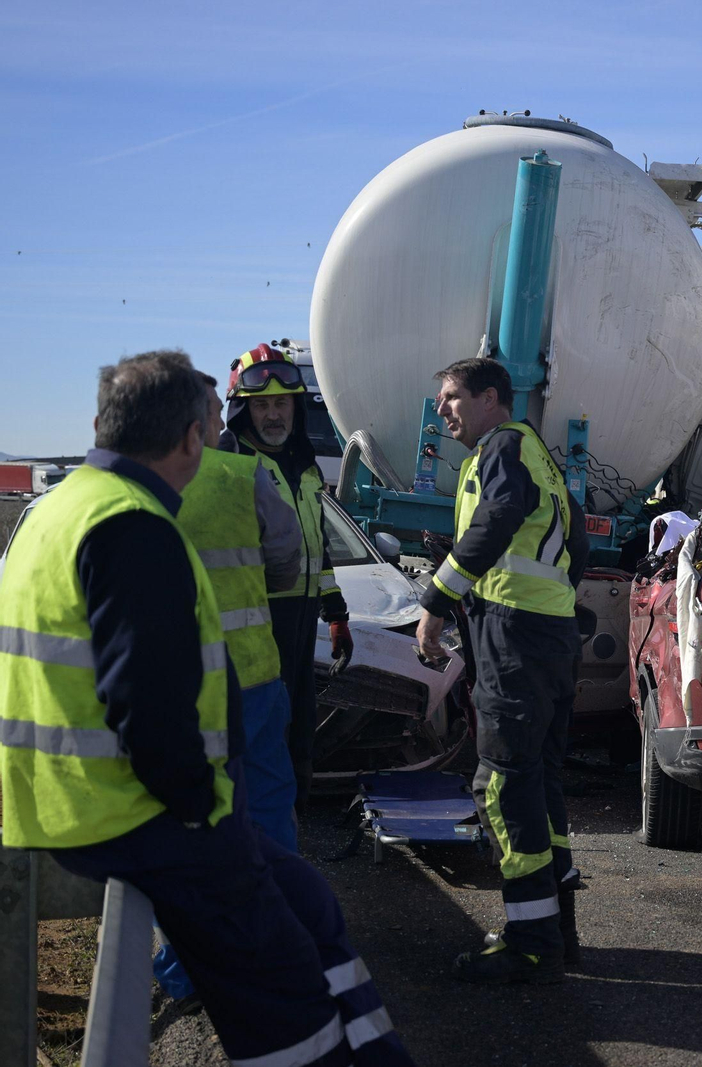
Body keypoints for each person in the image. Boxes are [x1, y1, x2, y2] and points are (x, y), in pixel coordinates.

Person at [0, 350, 413, 1065]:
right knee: (286, 988)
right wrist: (206, 814)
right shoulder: (132, 527)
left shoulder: (55, 508)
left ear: (103, 423)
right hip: (130, 817)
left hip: (65, 803)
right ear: (196, 437)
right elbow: (150, 714)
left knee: (310, 902)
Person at [416, 357, 580, 984]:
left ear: (491, 399)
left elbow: (501, 513)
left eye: (452, 395)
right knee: (539, 785)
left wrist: (439, 598)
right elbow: (578, 548)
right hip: (548, 634)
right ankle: (557, 933)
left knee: (504, 785)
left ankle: (533, 943)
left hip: (516, 638)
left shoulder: (502, 447)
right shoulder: (537, 452)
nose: (442, 408)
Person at [152, 374, 306, 1008]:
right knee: (267, 812)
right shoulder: (246, 477)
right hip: (254, 678)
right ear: (196, 426)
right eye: (218, 413)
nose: (225, 423)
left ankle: (187, 972)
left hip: (176, 692)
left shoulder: (128, 488)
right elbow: (286, 554)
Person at [220, 342, 353, 811]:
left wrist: (336, 613)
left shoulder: (305, 465)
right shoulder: (229, 465)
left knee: (299, 727)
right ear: (243, 409)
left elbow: (320, 545)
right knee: (259, 733)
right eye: (261, 405)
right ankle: (255, 839)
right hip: (253, 621)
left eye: (281, 403)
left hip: (301, 620)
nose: (273, 415)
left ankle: (290, 833)